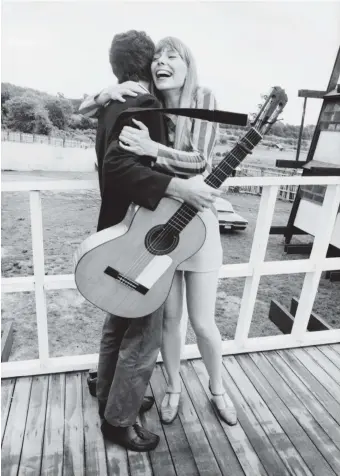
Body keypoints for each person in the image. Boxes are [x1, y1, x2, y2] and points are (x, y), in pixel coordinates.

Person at [89, 30, 222, 452]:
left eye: (172, 57)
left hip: (127, 227)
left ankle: (108, 392)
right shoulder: (144, 104)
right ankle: (119, 418)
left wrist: (101, 93)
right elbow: (117, 165)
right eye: (158, 57)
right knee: (143, 334)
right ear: (147, 66)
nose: (163, 63)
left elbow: (199, 157)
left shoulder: (113, 102)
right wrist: (180, 189)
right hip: (143, 232)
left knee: (119, 322)